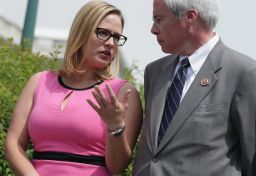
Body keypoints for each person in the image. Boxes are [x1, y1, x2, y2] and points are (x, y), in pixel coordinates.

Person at [5, 1, 143, 175]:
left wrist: (115, 126)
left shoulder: (123, 93)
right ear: (81, 32)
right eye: (103, 33)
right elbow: (13, 144)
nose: (111, 43)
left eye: (116, 37)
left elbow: (117, 166)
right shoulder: (39, 81)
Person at [133, 0, 256, 175]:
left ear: (189, 17)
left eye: (158, 19)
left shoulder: (244, 72)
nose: (153, 29)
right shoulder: (154, 72)